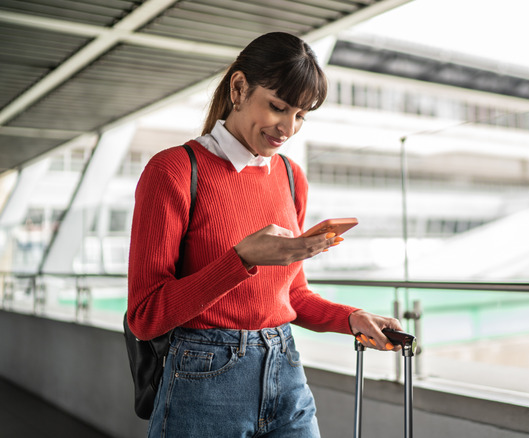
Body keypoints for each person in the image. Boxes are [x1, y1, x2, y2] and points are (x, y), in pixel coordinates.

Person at [127, 32, 402, 438]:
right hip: (203, 380)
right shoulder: (173, 171)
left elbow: (291, 296)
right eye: (278, 107)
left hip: (286, 370)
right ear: (238, 88)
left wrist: (351, 318)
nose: (288, 127)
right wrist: (241, 260)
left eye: (301, 115)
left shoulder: (292, 178)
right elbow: (145, 316)